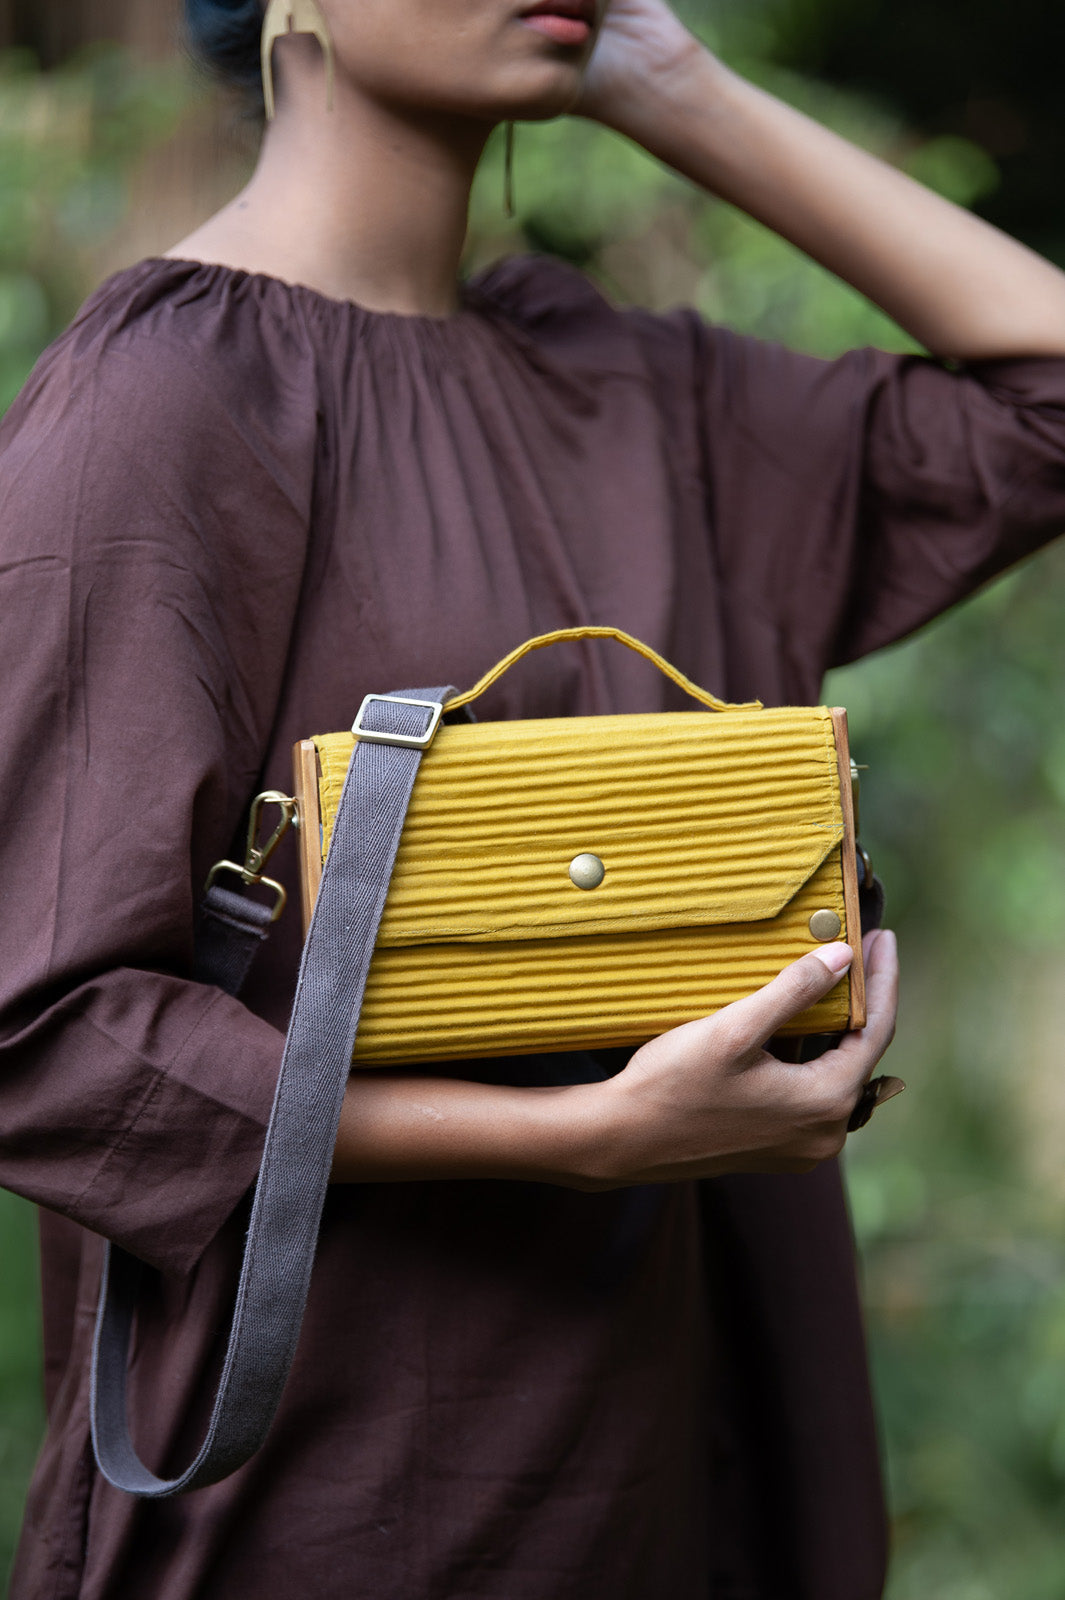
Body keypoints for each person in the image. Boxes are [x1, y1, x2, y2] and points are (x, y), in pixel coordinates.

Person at [2, 0, 1065, 1594]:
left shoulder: (626, 393)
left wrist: (674, 86)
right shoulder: (162, 411)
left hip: (651, 1489)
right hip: (323, 1503)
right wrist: (572, 1136)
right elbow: (41, 1040)